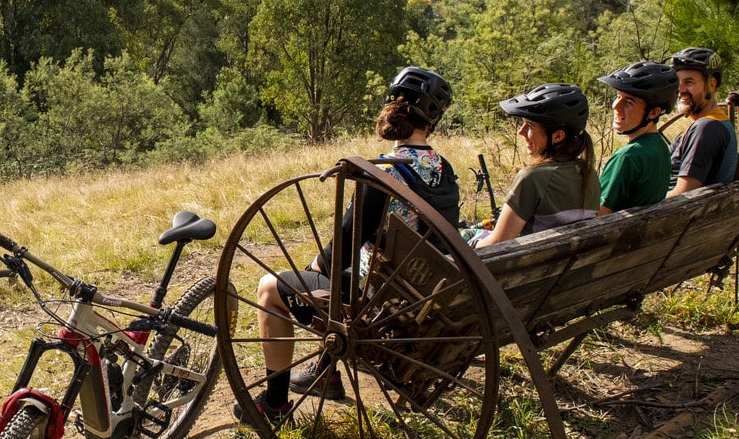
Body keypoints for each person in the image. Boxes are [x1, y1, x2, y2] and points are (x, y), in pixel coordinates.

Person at [240, 67, 461, 419]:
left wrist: (316, 267)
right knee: (342, 273)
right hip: (421, 292)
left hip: (377, 302)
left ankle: (275, 404)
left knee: (271, 287)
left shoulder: (385, 172)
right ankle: (325, 374)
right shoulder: (443, 169)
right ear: (432, 121)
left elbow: (346, 240)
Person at [472, 83, 600, 247]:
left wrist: (471, 246)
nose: (521, 131)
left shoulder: (532, 177)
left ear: (558, 136)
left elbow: (498, 241)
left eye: (530, 125)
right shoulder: (589, 173)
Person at [594, 60, 678, 213]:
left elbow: (598, 214)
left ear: (653, 113)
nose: (615, 106)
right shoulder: (660, 147)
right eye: (618, 96)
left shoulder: (627, 157)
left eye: (628, 102)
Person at [666, 47, 736, 196]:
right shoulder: (714, 123)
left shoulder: (706, 128)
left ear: (712, 84)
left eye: (689, 82)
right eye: (678, 83)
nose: (681, 90)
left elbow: (684, 194)